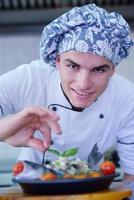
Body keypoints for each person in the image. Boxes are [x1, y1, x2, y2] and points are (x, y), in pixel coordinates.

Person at [0, 3, 134, 192]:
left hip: (93, 192)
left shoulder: (127, 98)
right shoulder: (31, 78)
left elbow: (132, 177)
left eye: (98, 69)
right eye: (73, 66)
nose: (83, 84)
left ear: (112, 69)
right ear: (57, 61)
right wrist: (5, 131)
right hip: (30, 191)